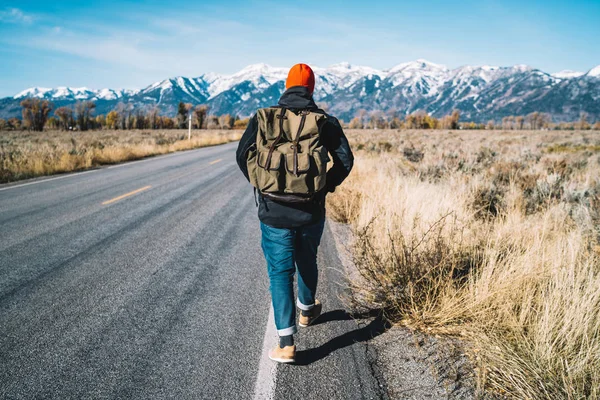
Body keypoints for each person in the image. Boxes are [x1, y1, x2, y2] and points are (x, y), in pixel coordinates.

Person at [236, 63, 353, 363]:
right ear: (311, 88)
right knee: (307, 260)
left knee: (280, 272)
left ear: (286, 86)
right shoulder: (324, 121)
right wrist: (324, 186)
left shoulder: (264, 118)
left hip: (273, 210)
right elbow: (345, 161)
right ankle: (306, 310)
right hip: (311, 211)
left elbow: (242, 154)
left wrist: (262, 181)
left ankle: (286, 343)